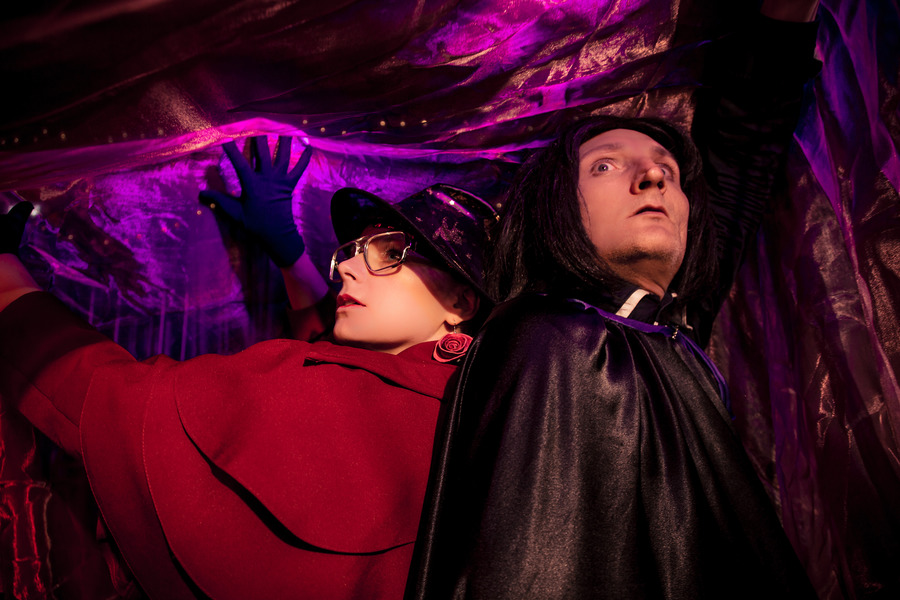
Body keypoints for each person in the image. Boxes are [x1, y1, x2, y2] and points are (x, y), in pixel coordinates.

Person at [406, 3, 821, 599]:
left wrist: (784, 23)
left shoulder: (671, 335)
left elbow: (740, 164)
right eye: (605, 165)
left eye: (668, 171)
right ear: (556, 207)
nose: (654, 178)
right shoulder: (548, 338)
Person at [0, 169, 497, 599]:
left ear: (461, 302)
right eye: (351, 252)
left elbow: (119, 404)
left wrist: (8, 281)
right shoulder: (469, 410)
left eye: (390, 252)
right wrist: (289, 252)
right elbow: (337, 354)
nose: (345, 267)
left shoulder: (345, 402)